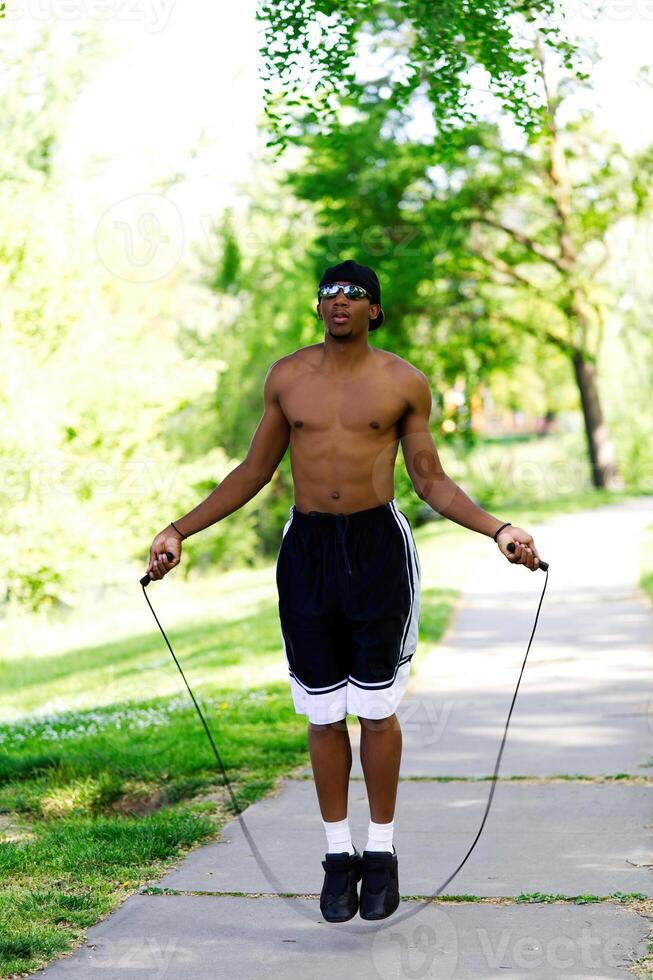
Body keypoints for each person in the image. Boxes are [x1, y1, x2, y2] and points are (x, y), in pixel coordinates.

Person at [145, 258, 542, 924]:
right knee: (323, 714)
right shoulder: (287, 379)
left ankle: (380, 854)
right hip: (306, 551)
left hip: (377, 551)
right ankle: (337, 856)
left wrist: (496, 530)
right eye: (327, 291)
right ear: (317, 305)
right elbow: (251, 471)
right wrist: (178, 530)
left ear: (373, 310)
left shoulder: (402, 383)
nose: (338, 301)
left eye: (352, 294)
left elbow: (430, 481)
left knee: (376, 711)